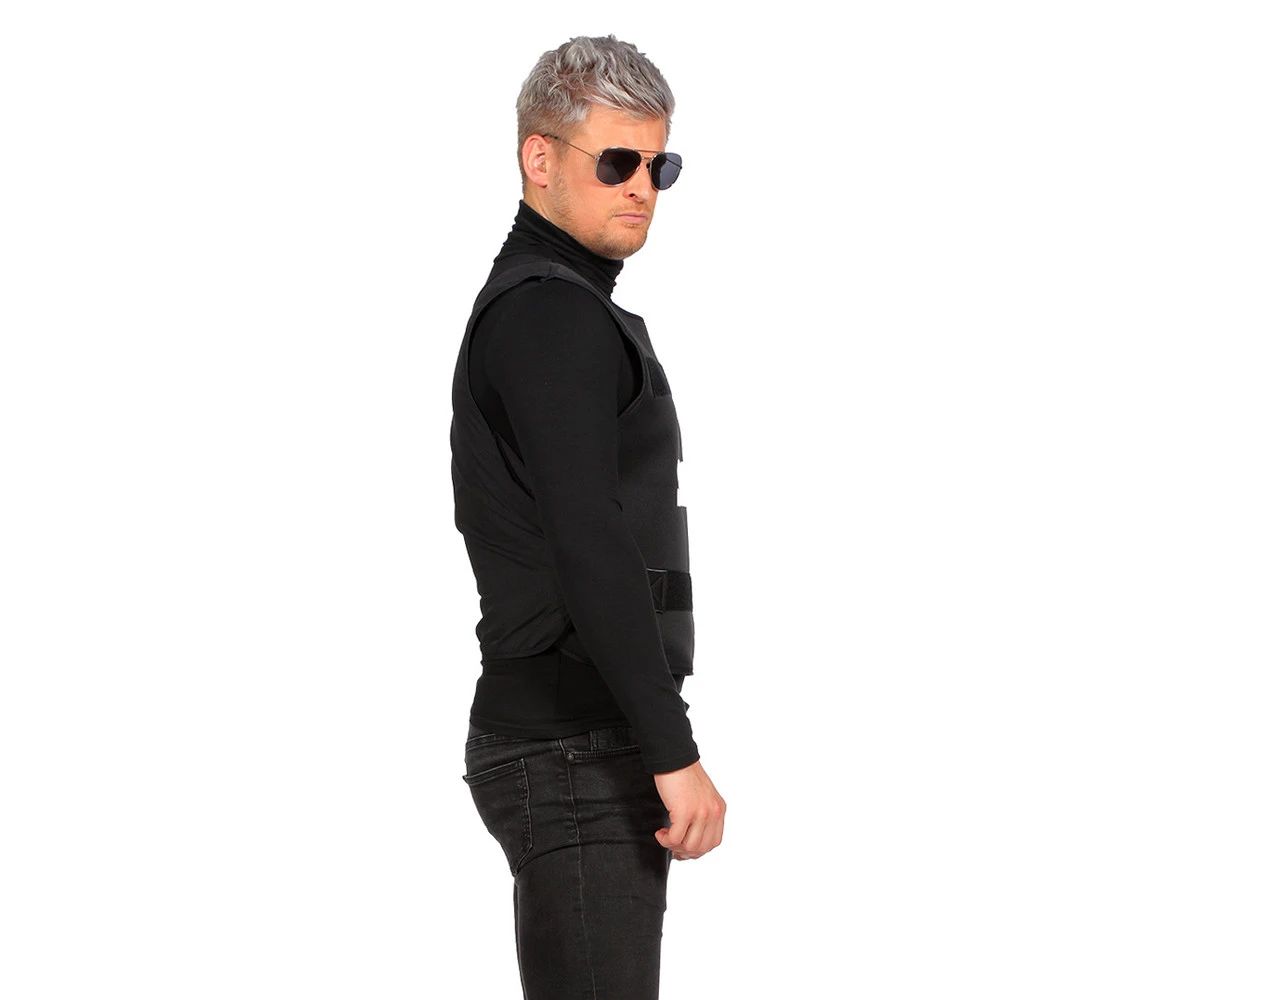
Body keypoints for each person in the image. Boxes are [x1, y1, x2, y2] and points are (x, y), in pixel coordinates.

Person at [449, 34, 726, 999]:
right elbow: (588, 539)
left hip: (576, 739)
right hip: (574, 747)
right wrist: (672, 749)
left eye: (659, 166)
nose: (642, 187)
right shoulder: (550, 316)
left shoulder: (555, 311)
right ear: (540, 157)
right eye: (616, 162)